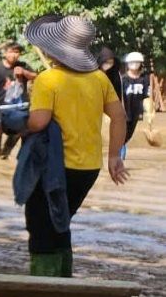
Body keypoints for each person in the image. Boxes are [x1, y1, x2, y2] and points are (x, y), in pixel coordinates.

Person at [15, 14, 129, 276]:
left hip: (54, 169)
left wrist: (17, 121)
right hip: (88, 168)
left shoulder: (48, 79)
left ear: (52, 47)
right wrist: (114, 157)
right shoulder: (99, 79)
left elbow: (39, 122)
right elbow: (119, 116)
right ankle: (65, 287)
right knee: (60, 223)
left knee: (42, 229)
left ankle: (46, 293)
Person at [123, 50, 154, 149]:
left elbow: (147, 96)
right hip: (124, 110)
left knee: (129, 134)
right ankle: (119, 152)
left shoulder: (144, 79)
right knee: (122, 133)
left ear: (141, 63)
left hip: (136, 111)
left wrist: (150, 112)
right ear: (128, 64)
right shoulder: (123, 79)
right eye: (132, 62)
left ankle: (121, 146)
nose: (134, 65)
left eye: (137, 62)